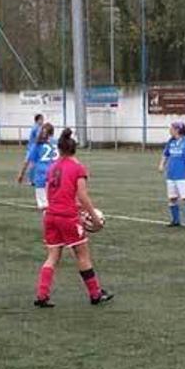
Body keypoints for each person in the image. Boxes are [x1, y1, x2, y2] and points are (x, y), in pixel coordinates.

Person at [33, 128, 113, 308]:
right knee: (82, 255)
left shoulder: (53, 167)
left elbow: (50, 193)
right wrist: (94, 217)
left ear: (59, 149)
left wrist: (70, 205)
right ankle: (95, 294)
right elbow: (83, 196)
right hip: (67, 218)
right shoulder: (78, 167)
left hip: (51, 216)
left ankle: (42, 295)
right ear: (74, 148)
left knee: (52, 256)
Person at [158, 122, 185, 228]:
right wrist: (162, 165)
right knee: (172, 198)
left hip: (182, 174)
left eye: (171, 128)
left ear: (177, 130)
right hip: (171, 174)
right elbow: (165, 154)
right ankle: (175, 220)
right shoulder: (170, 142)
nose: (169, 130)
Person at [16, 122, 57, 210]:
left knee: (43, 205)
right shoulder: (56, 143)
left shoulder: (38, 144)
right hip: (55, 175)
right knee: (54, 203)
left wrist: (21, 174)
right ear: (52, 132)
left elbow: (27, 161)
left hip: (41, 175)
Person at [24, 114, 44, 184]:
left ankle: (31, 179)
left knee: (32, 164)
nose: (42, 121)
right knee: (32, 164)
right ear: (37, 120)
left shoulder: (38, 127)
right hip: (33, 148)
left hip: (33, 148)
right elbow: (37, 138)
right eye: (41, 119)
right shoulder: (36, 128)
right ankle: (31, 180)